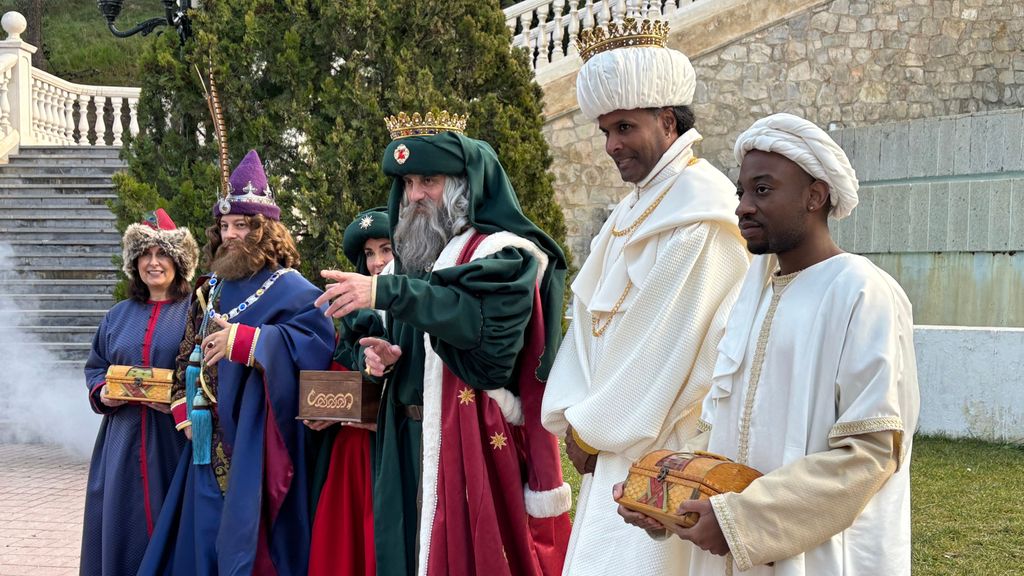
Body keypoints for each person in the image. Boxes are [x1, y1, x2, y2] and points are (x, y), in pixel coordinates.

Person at [618, 113, 920, 575]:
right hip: (729, 552)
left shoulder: (862, 291)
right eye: (742, 192)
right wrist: (664, 493)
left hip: (819, 556)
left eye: (762, 190)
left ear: (815, 196)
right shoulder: (752, 291)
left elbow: (871, 454)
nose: (742, 206)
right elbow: (721, 425)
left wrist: (744, 520)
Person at [316, 111, 572, 576]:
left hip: (470, 440)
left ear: (463, 184)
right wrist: (385, 359)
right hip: (402, 438)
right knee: (403, 552)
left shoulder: (502, 254)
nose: (414, 196)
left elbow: (476, 329)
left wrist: (383, 291)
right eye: (409, 183)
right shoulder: (411, 262)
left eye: (428, 180)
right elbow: (412, 338)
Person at [539, 16, 750, 575]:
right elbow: (586, 324)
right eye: (605, 130)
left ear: (666, 118)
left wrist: (591, 425)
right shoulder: (633, 207)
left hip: (667, 446)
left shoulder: (701, 209)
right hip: (611, 435)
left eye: (625, 128)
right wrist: (571, 416)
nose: (611, 146)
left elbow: (665, 342)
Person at [139, 150, 335, 576]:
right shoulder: (210, 288)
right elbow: (185, 354)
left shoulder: (293, 289)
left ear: (264, 230)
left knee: (250, 540)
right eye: (225, 226)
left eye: (241, 225)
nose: (229, 235)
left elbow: (317, 347)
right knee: (204, 538)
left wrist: (246, 341)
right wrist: (185, 412)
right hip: (207, 440)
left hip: (259, 442)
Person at [80, 209, 198, 576]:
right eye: (144, 255)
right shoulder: (117, 316)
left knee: (172, 522)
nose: (153, 262)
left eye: (162, 254)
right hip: (122, 442)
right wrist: (103, 394)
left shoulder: (196, 311)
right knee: (121, 522)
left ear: (178, 261)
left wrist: (177, 396)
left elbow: (208, 372)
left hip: (174, 442)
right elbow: (96, 366)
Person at [305, 207, 392, 576]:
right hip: (353, 452)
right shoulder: (353, 317)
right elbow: (338, 372)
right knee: (346, 543)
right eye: (369, 254)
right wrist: (322, 405)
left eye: (386, 249)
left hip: (397, 448)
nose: (377, 262)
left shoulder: (421, 306)